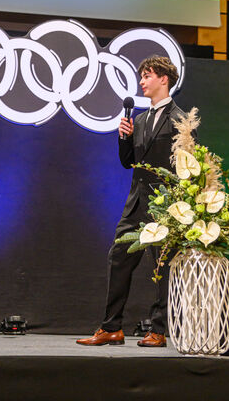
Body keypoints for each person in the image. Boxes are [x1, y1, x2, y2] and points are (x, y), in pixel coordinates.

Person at [76, 55, 185, 348]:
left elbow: (186, 167)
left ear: (164, 79)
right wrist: (124, 138)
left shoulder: (181, 119)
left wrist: (177, 206)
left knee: (162, 268)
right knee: (118, 259)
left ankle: (158, 330)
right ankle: (111, 328)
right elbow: (129, 163)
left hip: (165, 208)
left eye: (147, 76)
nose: (142, 81)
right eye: (142, 76)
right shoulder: (139, 119)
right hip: (136, 204)